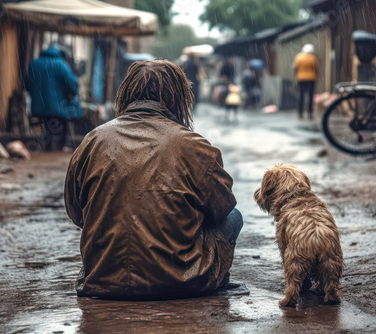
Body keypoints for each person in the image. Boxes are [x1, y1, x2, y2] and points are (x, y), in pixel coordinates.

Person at [65, 59, 243, 300]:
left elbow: (77, 215)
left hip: (102, 281)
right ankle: (214, 278)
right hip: (184, 282)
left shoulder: (92, 140)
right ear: (176, 98)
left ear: (127, 94)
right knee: (234, 217)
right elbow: (221, 209)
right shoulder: (194, 145)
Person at [26, 44, 82, 151]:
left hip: (40, 104)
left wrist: (36, 96)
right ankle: (62, 145)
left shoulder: (34, 64)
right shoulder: (61, 65)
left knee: (46, 125)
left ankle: (48, 146)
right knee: (63, 122)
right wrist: (70, 95)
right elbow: (71, 83)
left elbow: (28, 84)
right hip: (57, 105)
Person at [293, 44, 318, 120]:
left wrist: (296, 76)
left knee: (301, 95)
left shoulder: (299, 57)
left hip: (301, 78)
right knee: (310, 96)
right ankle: (309, 112)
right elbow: (315, 69)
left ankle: (300, 113)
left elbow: (295, 68)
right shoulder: (313, 58)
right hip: (311, 78)